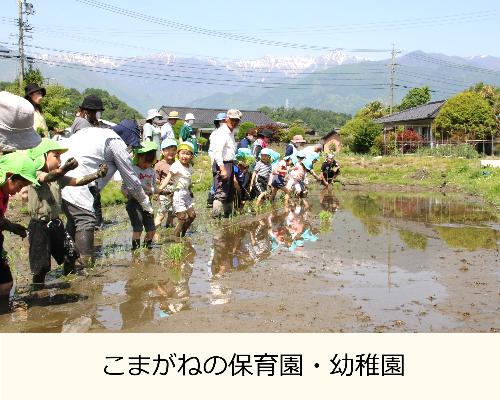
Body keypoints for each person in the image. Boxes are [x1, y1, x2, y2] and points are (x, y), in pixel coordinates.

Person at [61, 126, 154, 270]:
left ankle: (69, 267)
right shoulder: (116, 142)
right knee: (86, 221)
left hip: (63, 177)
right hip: (78, 182)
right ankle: (84, 267)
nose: (130, 149)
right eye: (131, 145)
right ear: (128, 139)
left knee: (73, 222)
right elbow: (131, 180)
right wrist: (145, 203)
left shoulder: (95, 132)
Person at [27, 139, 108, 286]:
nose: (59, 159)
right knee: (41, 265)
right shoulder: (36, 174)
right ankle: (38, 290)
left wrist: (97, 174)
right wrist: (65, 168)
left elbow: (78, 181)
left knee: (70, 254)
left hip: (55, 223)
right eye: (56, 156)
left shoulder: (58, 179)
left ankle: (69, 280)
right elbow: (48, 177)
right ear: (42, 158)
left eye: (60, 156)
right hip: (39, 225)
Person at [0, 152, 39, 302]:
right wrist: (11, 226)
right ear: (10, 177)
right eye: (20, 185)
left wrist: (10, 225)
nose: (19, 191)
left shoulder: (4, 193)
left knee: (5, 284)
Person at [125, 141, 159, 250]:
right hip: (134, 203)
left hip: (147, 203)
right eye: (144, 161)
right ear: (138, 157)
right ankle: (135, 252)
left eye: (149, 162)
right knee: (138, 229)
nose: (146, 164)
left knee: (151, 230)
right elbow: (124, 186)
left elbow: (154, 187)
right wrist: (126, 193)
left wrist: (158, 191)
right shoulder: (132, 169)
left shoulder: (152, 171)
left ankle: (147, 249)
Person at [158, 142, 196, 237]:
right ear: (178, 154)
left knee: (192, 215)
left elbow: (188, 181)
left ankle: (182, 233)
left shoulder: (190, 167)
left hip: (186, 193)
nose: (185, 156)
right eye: (183, 153)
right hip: (178, 194)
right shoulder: (176, 165)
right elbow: (167, 178)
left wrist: (190, 191)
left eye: (188, 154)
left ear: (191, 156)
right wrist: (159, 190)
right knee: (182, 217)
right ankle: (176, 236)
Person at [211, 109, 242, 218]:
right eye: (232, 120)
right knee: (221, 193)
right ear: (226, 119)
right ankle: (216, 218)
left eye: (237, 121)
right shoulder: (222, 132)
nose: (234, 122)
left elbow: (229, 151)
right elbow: (217, 152)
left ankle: (227, 216)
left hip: (229, 163)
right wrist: (222, 169)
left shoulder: (231, 132)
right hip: (222, 164)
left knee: (229, 193)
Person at [154, 138, 177, 229]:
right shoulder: (159, 164)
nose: (171, 152)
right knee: (162, 213)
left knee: (172, 213)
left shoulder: (177, 163)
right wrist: (156, 192)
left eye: (173, 150)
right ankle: (153, 230)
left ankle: (169, 230)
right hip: (164, 192)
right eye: (167, 150)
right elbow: (156, 180)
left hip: (176, 192)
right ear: (162, 151)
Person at [207, 113, 226, 208]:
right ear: (218, 122)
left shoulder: (226, 133)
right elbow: (212, 150)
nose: (223, 123)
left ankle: (213, 199)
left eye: (224, 121)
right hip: (216, 159)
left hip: (224, 160)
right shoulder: (215, 133)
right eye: (221, 121)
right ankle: (212, 199)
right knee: (216, 180)